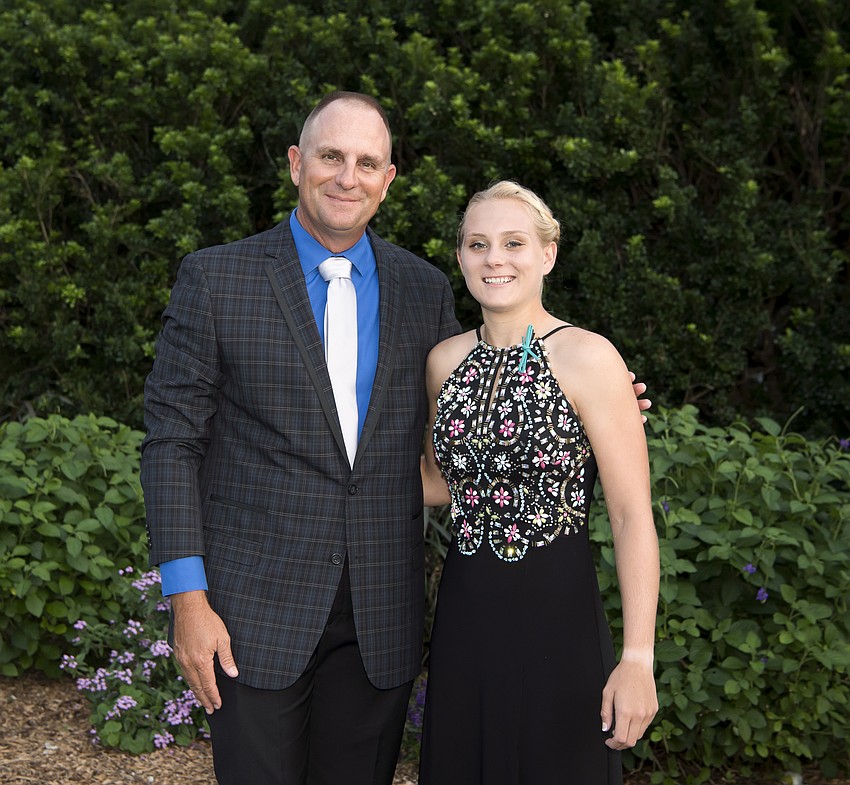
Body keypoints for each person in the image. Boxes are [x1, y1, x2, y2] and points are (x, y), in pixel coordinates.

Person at [140, 92, 651, 785]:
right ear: (296, 163)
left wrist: (600, 412)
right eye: (331, 157)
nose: (347, 176)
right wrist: (188, 599)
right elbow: (172, 443)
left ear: (387, 181)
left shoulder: (421, 288)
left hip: (383, 618)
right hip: (253, 614)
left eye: (367, 162)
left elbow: (447, 445)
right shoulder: (217, 278)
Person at [418, 181, 660, 785]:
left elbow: (631, 516)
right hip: (466, 626)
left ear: (547, 255)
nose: (494, 258)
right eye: (478, 244)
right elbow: (436, 484)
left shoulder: (589, 357)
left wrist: (638, 659)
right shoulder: (442, 361)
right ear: (461, 257)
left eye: (514, 243)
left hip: (560, 625)